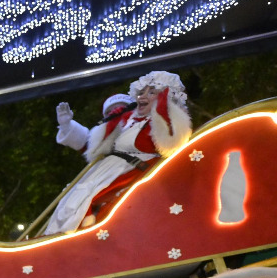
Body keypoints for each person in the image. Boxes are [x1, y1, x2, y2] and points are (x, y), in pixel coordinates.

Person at [43, 70, 192, 235]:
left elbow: (170, 140)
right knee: (72, 201)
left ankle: (83, 236)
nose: (143, 96)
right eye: (141, 92)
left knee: (97, 205)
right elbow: (90, 144)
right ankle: (55, 239)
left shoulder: (158, 122)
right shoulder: (124, 123)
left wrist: (163, 105)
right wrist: (67, 126)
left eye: (151, 92)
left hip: (130, 173)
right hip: (104, 172)